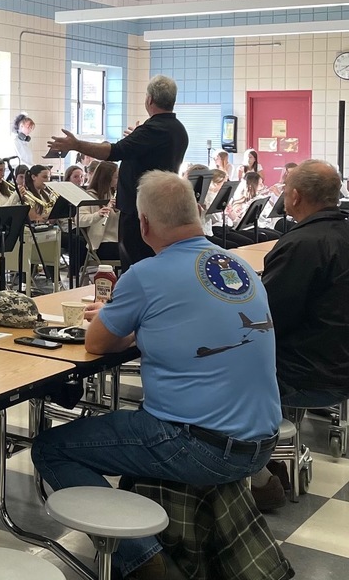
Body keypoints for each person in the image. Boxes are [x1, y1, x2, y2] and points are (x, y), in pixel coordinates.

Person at [31, 172, 280, 580]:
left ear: (144, 225)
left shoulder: (146, 275)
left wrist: (117, 321)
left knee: (51, 448)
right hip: (261, 444)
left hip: (199, 445)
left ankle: (141, 561)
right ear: (198, 212)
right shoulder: (239, 265)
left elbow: (97, 344)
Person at [48, 75, 188, 271]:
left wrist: (76, 144)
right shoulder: (178, 129)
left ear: (149, 100)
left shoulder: (153, 129)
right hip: (159, 206)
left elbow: (112, 152)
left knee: (135, 265)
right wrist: (136, 139)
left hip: (140, 210)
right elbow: (151, 154)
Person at [261, 160, 349, 413]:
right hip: (337, 362)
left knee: (214, 363)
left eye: (285, 187)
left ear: (296, 197)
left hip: (305, 375)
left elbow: (269, 317)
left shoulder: (302, 244)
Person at [76, 160, 120, 262]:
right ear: (107, 178)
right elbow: (79, 220)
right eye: (116, 177)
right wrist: (98, 215)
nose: (119, 180)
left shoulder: (113, 194)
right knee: (130, 254)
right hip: (101, 243)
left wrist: (119, 210)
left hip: (116, 240)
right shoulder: (90, 196)